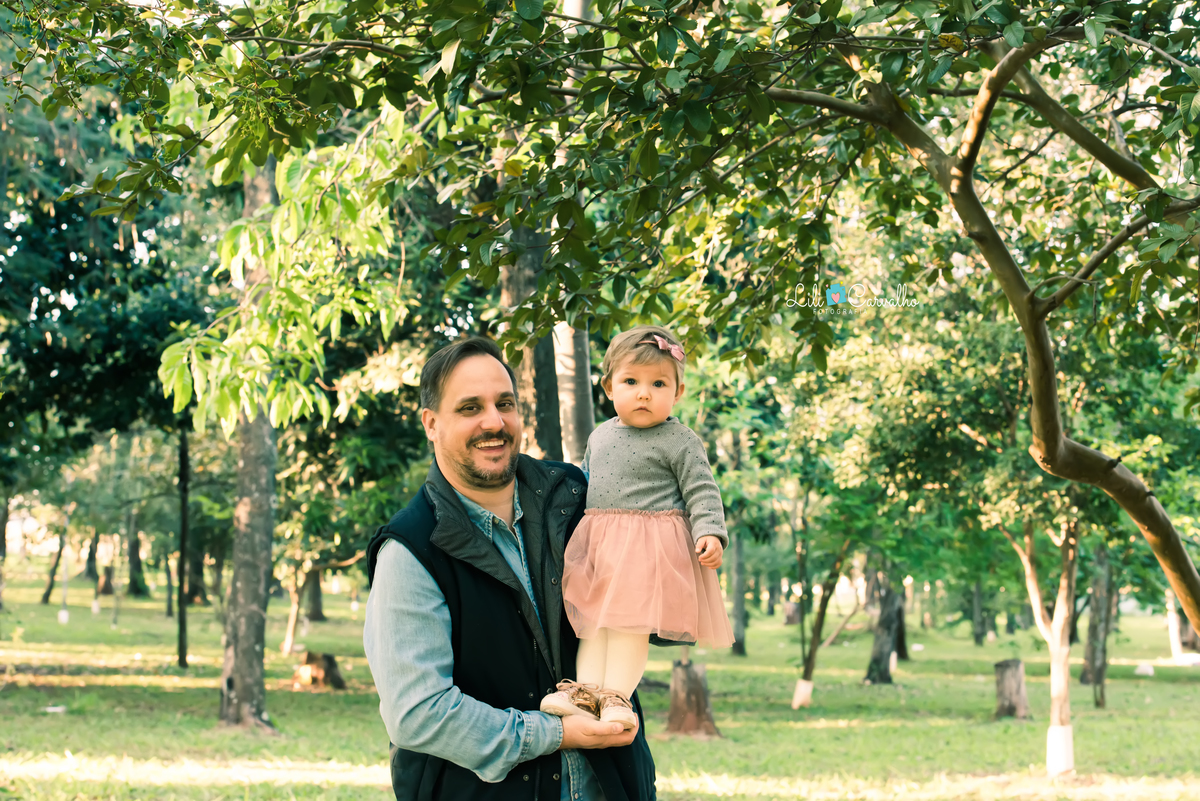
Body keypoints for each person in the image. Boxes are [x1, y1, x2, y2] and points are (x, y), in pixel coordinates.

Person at [364, 336, 657, 801]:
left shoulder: (579, 498)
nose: (494, 422)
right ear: (431, 424)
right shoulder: (411, 550)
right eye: (469, 408)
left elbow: (637, 607)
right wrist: (556, 733)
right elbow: (418, 712)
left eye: (505, 403)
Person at [540, 325, 734, 730]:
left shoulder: (680, 440)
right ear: (609, 387)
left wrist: (710, 532)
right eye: (631, 381)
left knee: (629, 626)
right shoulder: (600, 436)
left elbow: (701, 491)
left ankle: (617, 697)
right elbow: (588, 484)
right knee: (595, 625)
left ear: (677, 392)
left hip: (650, 551)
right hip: (603, 549)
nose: (644, 393)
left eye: (658, 383)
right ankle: (585, 692)